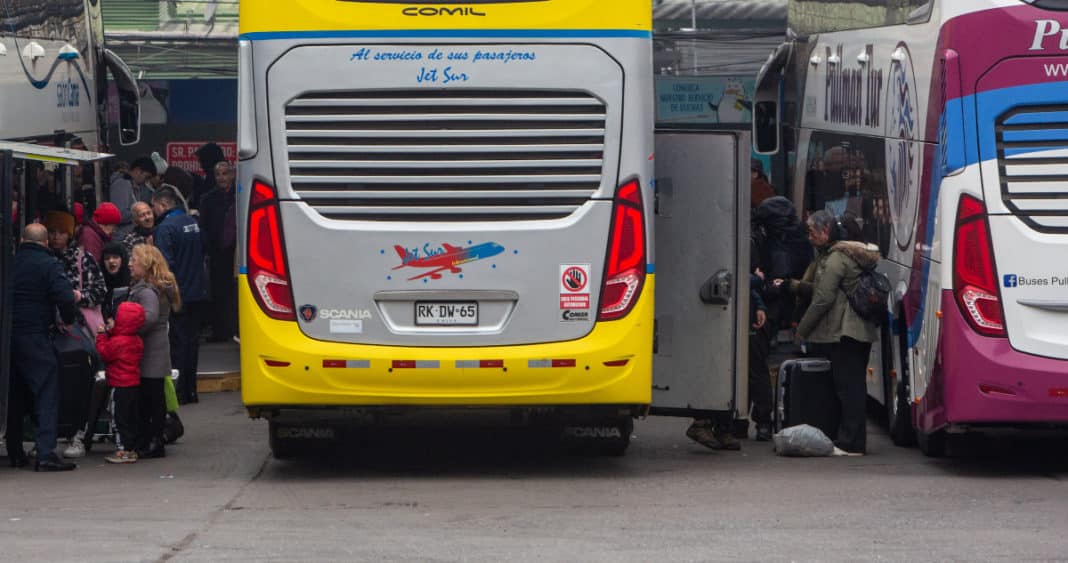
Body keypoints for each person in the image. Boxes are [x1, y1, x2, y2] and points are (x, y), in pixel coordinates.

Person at [792, 210, 880, 455]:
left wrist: (802, 330)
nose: (809, 237)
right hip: (856, 331)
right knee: (852, 386)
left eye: (812, 232)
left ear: (826, 231)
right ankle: (852, 440)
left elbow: (823, 298)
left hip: (846, 332)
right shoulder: (844, 255)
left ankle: (851, 443)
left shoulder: (836, 259)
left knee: (848, 388)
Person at [5, 224, 78, 471]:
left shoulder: (9, 263)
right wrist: (68, 320)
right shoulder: (49, 265)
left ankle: (15, 451)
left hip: (8, 337)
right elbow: (65, 297)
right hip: (34, 334)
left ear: (22, 239)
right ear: (46, 243)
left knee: (14, 393)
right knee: (47, 389)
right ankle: (46, 452)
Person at [63, 241, 133, 459]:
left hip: (118, 349)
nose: (111, 262)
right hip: (105, 344)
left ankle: (87, 434)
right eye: (107, 258)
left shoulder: (130, 288)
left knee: (101, 386)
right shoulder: (102, 283)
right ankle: (86, 433)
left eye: (116, 257)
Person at [151, 187, 207, 404]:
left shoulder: (164, 229)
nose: (153, 211)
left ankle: (181, 392)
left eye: (154, 206)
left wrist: (167, 296)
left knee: (179, 343)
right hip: (198, 291)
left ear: (162, 204)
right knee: (193, 343)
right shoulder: (191, 223)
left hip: (179, 294)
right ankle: (191, 390)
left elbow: (165, 266)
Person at [128, 244, 182, 458]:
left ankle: (153, 441)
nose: (130, 263)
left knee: (150, 399)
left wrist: (128, 328)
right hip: (158, 348)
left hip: (150, 349)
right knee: (155, 397)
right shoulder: (159, 287)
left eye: (135, 260)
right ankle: (155, 439)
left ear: (147, 264)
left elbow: (149, 317)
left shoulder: (148, 291)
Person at [97, 301, 146, 464]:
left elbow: (105, 353)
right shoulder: (136, 340)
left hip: (119, 385)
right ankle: (130, 448)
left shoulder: (118, 342)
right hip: (133, 384)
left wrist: (102, 336)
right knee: (131, 418)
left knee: (119, 419)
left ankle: (123, 450)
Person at [200, 161, 238, 342]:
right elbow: (204, 228)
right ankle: (220, 330)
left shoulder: (240, 196)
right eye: (218, 174)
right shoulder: (208, 199)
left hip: (237, 252)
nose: (222, 178)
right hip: (217, 252)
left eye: (225, 173)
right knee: (217, 292)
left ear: (232, 175)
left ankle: (236, 328)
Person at [45, 211, 107, 320]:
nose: (56, 237)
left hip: (77, 322)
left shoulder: (83, 258)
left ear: (69, 234)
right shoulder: (44, 259)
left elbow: (100, 291)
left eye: (62, 232)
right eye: (52, 232)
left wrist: (79, 296)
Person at [110, 156, 157, 235]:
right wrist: (142, 213)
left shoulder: (134, 186)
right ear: (138, 171)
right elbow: (119, 215)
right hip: (122, 237)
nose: (146, 181)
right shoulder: (122, 184)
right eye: (146, 177)